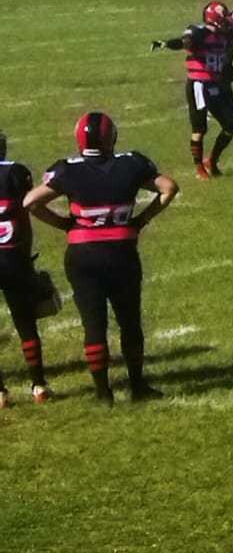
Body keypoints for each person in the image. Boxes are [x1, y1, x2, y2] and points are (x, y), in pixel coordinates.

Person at [24, 112, 178, 405]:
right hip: (122, 253)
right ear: (112, 137)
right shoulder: (131, 163)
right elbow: (169, 188)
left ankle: (103, 394)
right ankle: (137, 385)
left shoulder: (67, 169)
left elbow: (30, 202)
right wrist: (141, 220)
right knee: (129, 321)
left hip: (83, 256)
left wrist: (64, 224)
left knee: (94, 325)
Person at [151, 0, 233, 179]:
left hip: (216, 84)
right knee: (199, 128)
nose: (225, 23)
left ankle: (212, 160)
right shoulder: (200, 32)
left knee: (230, 126)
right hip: (199, 84)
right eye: (222, 19)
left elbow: (225, 65)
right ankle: (199, 168)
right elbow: (185, 42)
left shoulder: (223, 37)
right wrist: (166, 43)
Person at [0, 133, 53, 407]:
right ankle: (39, 386)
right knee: (25, 322)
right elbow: (28, 210)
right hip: (13, 256)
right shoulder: (16, 173)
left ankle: (0, 393)